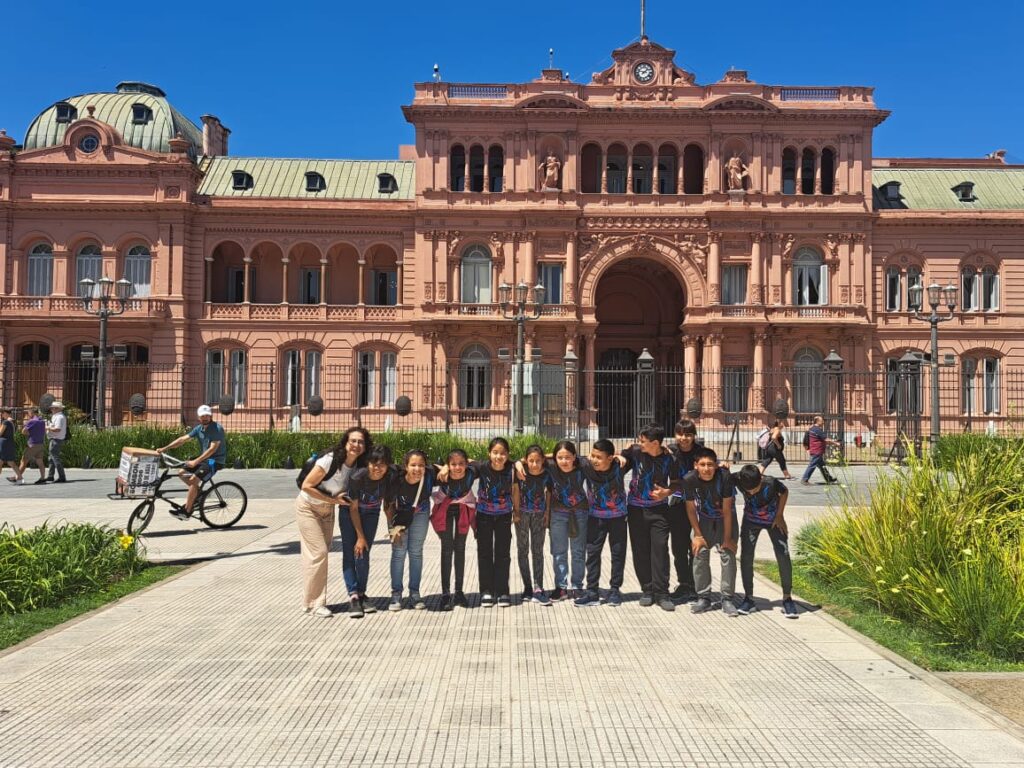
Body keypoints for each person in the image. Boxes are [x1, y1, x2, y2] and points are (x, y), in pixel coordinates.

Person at [293, 427, 370, 616]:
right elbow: (306, 486)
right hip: (308, 507)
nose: (356, 445)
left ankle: (309, 601)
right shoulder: (330, 460)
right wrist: (334, 500)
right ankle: (315, 604)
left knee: (317, 555)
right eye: (353, 440)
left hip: (327, 511)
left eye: (361, 442)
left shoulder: (359, 466)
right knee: (318, 553)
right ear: (345, 442)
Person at [623, 424, 679, 611]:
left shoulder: (670, 458)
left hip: (659, 511)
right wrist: (619, 457)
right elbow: (621, 456)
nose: (640, 444)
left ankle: (662, 593)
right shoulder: (636, 452)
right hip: (635, 510)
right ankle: (647, 590)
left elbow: (677, 482)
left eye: (644, 441)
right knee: (640, 550)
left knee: (660, 549)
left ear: (655, 443)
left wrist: (667, 492)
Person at [733, 464, 798, 618]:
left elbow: (784, 492)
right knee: (746, 557)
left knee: (783, 554)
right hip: (750, 521)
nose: (751, 492)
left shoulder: (771, 482)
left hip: (774, 521)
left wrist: (780, 515)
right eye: (748, 490)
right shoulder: (737, 478)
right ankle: (749, 598)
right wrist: (721, 466)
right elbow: (720, 474)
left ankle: (787, 598)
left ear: (760, 479)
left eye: (755, 489)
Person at [574, 439, 631, 608]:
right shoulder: (586, 465)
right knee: (592, 554)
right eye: (592, 455)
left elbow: (637, 449)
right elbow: (562, 455)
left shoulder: (620, 466)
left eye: (599, 457)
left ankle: (614, 590)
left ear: (610, 458)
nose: (594, 459)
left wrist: (623, 455)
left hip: (618, 518)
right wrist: (522, 460)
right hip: (595, 517)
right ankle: (592, 592)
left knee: (618, 553)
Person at [684, 446, 739, 616]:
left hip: (725, 519)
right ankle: (704, 597)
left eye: (710, 464)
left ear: (716, 465)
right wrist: (698, 535)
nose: (707, 469)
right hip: (704, 519)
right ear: (696, 465)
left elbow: (728, 510)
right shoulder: (689, 479)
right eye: (703, 464)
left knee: (728, 555)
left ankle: (727, 598)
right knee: (699, 553)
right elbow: (691, 509)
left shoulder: (724, 477)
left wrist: (728, 538)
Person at [462, 437, 516, 608]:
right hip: (483, 515)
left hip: (504, 515)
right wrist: (448, 465)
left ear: (507, 455)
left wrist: (517, 512)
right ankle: (486, 591)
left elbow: (515, 490)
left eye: (502, 453)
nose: (498, 457)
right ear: (489, 453)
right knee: (484, 553)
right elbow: (464, 462)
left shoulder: (512, 469)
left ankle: (502, 591)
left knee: (503, 554)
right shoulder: (482, 467)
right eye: (495, 453)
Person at [344, 444, 395, 618]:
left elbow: (388, 505)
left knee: (363, 553)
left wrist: (392, 528)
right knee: (352, 552)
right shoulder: (358, 477)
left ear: (388, 465)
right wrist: (360, 536)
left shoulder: (390, 476)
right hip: (351, 514)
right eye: (374, 463)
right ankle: (353, 596)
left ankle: (362, 593)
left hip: (372, 513)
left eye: (382, 464)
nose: (377, 468)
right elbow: (353, 508)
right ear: (368, 463)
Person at [156, 405, 229, 519]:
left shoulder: (217, 429)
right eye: (202, 416)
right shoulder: (198, 429)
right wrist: (164, 448)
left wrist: (195, 462)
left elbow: (212, 449)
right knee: (181, 472)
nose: (205, 418)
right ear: (199, 418)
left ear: (211, 416)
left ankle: (187, 511)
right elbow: (182, 440)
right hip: (204, 459)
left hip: (214, 461)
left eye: (207, 415)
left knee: (193, 480)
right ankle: (198, 494)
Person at [387, 449, 434, 612]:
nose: (417, 469)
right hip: (399, 516)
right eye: (413, 465)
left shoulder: (429, 475)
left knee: (415, 552)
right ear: (406, 466)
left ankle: (415, 593)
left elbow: (450, 466)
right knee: (398, 552)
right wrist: (393, 528)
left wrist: (445, 468)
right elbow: (388, 504)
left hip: (421, 512)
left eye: (421, 465)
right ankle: (396, 595)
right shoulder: (396, 479)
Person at [431, 448, 476, 610]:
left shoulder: (472, 472)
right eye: (453, 464)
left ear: (466, 464)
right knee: (447, 549)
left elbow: (482, 463)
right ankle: (445, 593)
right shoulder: (441, 475)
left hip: (463, 510)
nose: (457, 468)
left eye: (461, 464)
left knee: (460, 549)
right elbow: (428, 466)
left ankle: (459, 591)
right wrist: (442, 467)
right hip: (445, 511)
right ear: (448, 465)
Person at [545, 440, 590, 601]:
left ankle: (577, 586)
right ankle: (561, 587)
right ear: (554, 458)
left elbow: (601, 458)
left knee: (578, 551)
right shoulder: (550, 467)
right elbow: (529, 457)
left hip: (580, 512)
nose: (564, 461)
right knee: (559, 551)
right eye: (560, 457)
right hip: (558, 513)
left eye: (568, 457)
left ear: (574, 457)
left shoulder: (583, 466)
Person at [666, 419, 700, 602]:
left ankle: (695, 584)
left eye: (688, 434)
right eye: (680, 434)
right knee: (678, 547)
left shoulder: (701, 453)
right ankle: (683, 583)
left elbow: (712, 467)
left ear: (694, 435)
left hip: (699, 505)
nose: (684, 438)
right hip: (678, 503)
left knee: (696, 546)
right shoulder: (670, 452)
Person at [514, 445, 551, 605]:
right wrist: (515, 512)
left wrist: (547, 513)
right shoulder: (520, 472)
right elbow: (515, 490)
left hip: (539, 515)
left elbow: (549, 493)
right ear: (526, 460)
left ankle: (538, 586)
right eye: (531, 461)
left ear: (543, 460)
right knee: (522, 549)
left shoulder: (547, 474)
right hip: (522, 514)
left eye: (537, 461)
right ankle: (527, 587)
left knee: (538, 550)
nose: (534, 464)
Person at [801, 416, 839, 485]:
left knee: (822, 466)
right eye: (822, 421)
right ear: (817, 421)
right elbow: (826, 439)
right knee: (812, 465)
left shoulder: (812, 428)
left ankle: (829, 479)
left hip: (817, 450)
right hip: (816, 451)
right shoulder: (817, 430)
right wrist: (835, 443)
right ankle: (804, 479)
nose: (823, 422)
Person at [16, 408, 47, 485]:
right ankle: (43, 478)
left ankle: (17, 477)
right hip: (40, 444)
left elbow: (23, 431)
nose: (28, 415)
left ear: (32, 413)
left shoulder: (31, 421)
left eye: (28, 413)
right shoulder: (42, 421)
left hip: (32, 444)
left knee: (24, 461)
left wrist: (29, 433)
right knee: (40, 461)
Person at [45, 401, 68, 483]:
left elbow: (57, 429)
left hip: (56, 439)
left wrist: (47, 428)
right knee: (51, 458)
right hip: (55, 439)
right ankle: (50, 476)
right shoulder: (57, 416)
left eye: (53, 408)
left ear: (57, 409)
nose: (51, 409)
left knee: (55, 458)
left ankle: (62, 477)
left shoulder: (59, 417)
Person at [0, 408, 24, 484]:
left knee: (7, 462)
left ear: (6, 413)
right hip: (9, 443)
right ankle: (20, 478)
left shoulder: (6, 422)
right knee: (9, 462)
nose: (1, 415)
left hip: (4, 444)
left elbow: (0, 433)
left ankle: (20, 478)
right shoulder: (12, 422)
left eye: (2, 413)